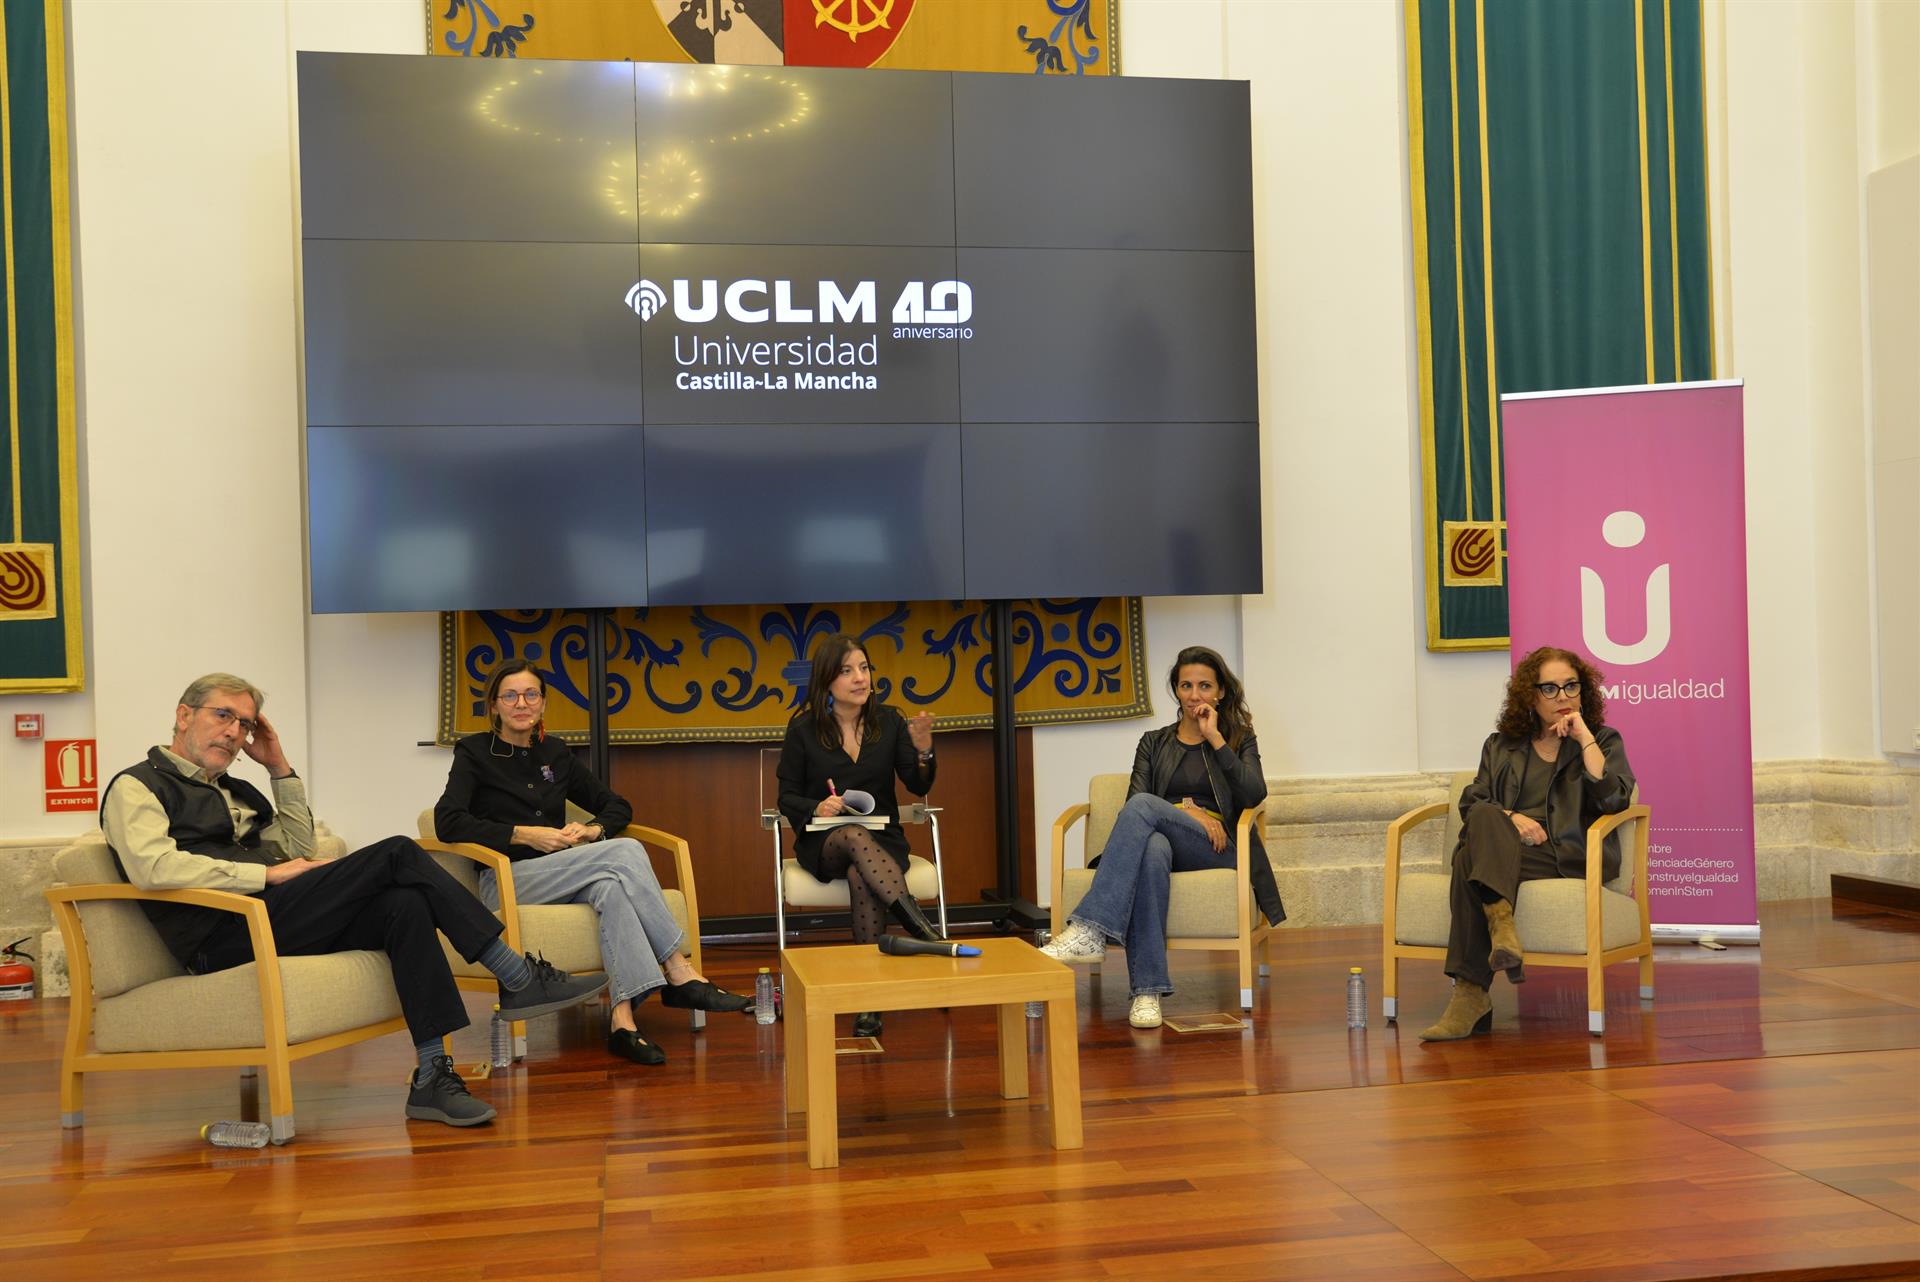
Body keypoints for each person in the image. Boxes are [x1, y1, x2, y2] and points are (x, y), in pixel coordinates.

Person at [101, 673, 606, 1128]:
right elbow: (154, 868)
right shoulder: (137, 786)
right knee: (397, 853)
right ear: (183, 716)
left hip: (268, 917)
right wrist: (265, 874)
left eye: (246, 723)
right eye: (223, 716)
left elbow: (301, 849)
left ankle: (433, 1076)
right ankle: (515, 975)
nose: (235, 732)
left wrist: (278, 768)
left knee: (404, 904)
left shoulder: (237, 790)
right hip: (223, 935)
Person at [434, 659, 750, 1066]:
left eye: (531, 694)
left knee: (612, 887)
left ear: (543, 704)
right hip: (508, 879)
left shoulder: (555, 752)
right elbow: (448, 820)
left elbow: (616, 805)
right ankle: (677, 968)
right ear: (494, 706)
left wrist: (592, 831)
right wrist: (525, 834)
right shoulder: (474, 753)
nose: (521, 703)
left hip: (567, 873)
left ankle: (622, 1023)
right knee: (626, 852)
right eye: (509, 696)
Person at [1042, 646, 1283, 1028]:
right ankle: (1147, 993)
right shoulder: (1153, 742)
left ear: (1219, 692)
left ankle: (1089, 927)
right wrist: (1185, 813)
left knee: (1145, 809)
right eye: (1186, 685)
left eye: (1204, 686)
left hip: (1217, 846)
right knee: (1152, 847)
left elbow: (1254, 794)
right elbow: (1131, 807)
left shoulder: (1239, 739)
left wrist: (1215, 738)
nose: (1195, 695)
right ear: (1176, 690)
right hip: (1167, 840)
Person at [1419, 646, 1636, 1041]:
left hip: (1566, 854)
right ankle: (1499, 929)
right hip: (1510, 849)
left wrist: (1584, 736)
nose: (1563, 697)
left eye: (1571, 686)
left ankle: (1472, 993)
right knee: (1484, 819)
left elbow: (1613, 799)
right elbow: (1473, 800)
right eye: (1550, 689)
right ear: (1530, 698)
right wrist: (1512, 819)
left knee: (1470, 859)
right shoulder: (1501, 746)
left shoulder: (1602, 741)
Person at [776, 633, 943, 1039]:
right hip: (824, 842)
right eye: (847, 671)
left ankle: (869, 1001)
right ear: (827, 681)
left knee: (861, 876)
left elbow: (916, 783)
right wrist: (817, 807)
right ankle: (920, 930)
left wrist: (923, 749)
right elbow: (786, 797)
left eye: (864, 668)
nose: (860, 678)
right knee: (850, 835)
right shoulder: (803, 729)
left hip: (882, 841)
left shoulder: (889, 722)